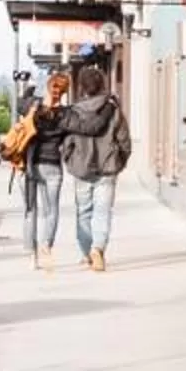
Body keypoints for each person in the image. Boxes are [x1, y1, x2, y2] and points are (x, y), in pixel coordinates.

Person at [50, 56, 131, 272]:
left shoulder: (74, 112)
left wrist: (70, 161)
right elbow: (124, 140)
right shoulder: (113, 110)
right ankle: (98, 249)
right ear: (102, 85)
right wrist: (119, 161)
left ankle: (87, 253)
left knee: (83, 212)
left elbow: (67, 142)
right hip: (107, 168)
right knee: (103, 212)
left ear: (82, 88)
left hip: (81, 170)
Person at [19, 67, 73, 272]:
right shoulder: (67, 114)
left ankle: (31, 256)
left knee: (30, 210)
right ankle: (45, 247)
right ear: (65, 91)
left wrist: (30, 87)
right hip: (53, 166)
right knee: (51, 210)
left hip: (31, 165)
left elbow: (19, 104)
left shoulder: (34, 108)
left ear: (49, 88)